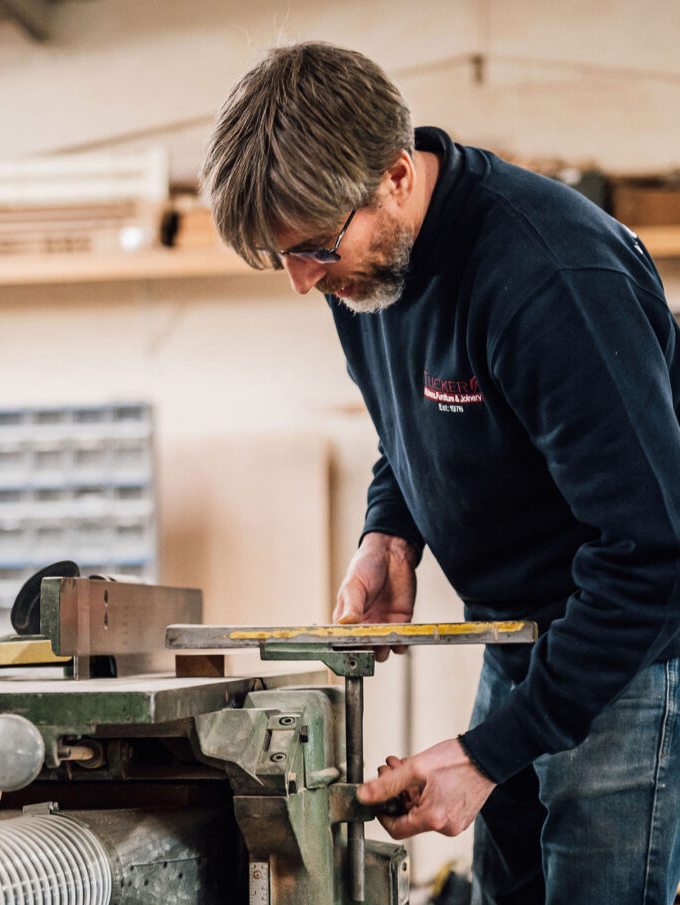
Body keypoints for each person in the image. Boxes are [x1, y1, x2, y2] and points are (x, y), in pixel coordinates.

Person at [200, 41, 680, 905]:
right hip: (520, 638)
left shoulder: (549, 279)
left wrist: (492, 751)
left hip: (635, 652)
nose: (303, 284)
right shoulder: (367, 274)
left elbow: (654, 547)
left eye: (312, 248)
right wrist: (392, 528)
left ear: (394, 175)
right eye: (282, 260)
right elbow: (411, 416)